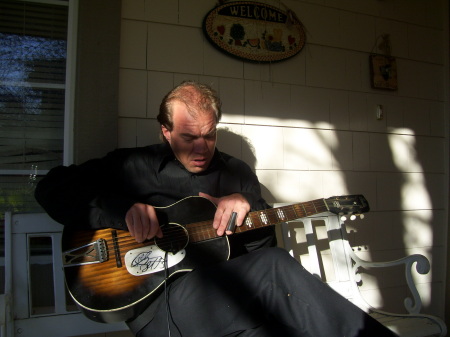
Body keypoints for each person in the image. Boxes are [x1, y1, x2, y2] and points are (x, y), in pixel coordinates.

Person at [35, 81, 398, 337]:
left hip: (231, 303)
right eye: (188, 137)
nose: (201, 147)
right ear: (165, 131)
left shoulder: (236, 173)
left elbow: (261, 253)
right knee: (276, 271)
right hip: (157, 306)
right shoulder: (133, 166)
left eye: (209, 135)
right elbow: (51, 188)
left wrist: (247, 209)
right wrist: (122, 210)